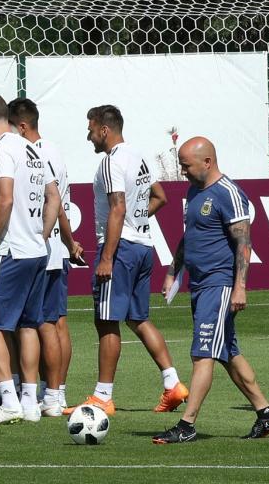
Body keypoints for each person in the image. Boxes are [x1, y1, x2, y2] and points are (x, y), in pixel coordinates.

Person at [153, 137, 269, 443]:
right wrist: (174, 271)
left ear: (207, 162)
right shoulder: (194, 191)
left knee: (203, 354)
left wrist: (240, 287)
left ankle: (186, 424)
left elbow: (244, 244)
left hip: (220, 284)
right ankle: (267, 414)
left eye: (186, 165)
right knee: (227, 352)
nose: (182, 171)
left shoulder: (229, 193)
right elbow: (190, 236)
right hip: (199, 285)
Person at [66, 105, 188, 417]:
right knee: (138, 318)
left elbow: (118, 207)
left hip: (120, 250)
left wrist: (107, 255)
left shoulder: (112, 161)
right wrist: (136, 221)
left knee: (106, 320)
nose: (89, 136)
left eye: (91, 129)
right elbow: (160, 196)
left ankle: (103, 395)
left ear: (104, 130)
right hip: (143, 246)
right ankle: (172, 383)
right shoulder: (139, 156)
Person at [0, 93, 61, 425]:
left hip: (11, 250)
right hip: (37, 251)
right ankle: (29, 402)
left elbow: (5, 199)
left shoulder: (0, 149)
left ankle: (9, 401)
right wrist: (41, 234)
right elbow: (54, 196)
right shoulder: (32, 147)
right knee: (28, 324)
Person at [9, 98, 86, 417]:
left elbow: (54, 202)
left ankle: (54, 394)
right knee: (52, 322)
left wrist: (67, 242)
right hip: (50, 249)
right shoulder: (50, 150)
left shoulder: (39, 153)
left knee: (47, 324)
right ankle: (51, 392)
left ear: (22, 126)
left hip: (45, 250)